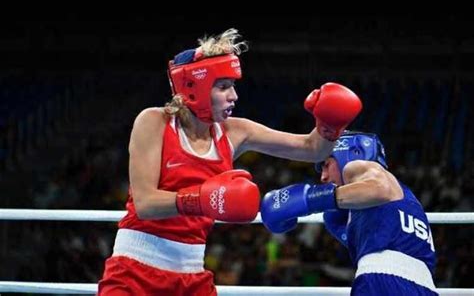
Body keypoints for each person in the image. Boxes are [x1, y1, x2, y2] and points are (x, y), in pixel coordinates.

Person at [98, 28, 362, 295]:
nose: (234, 96)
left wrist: (329, 125)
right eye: (223, 86)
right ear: (195, 87)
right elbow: (145, 203)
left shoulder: (235, 131)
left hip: (192, 273)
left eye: (233, 86)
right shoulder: (155, 122)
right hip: (134, 269)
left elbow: (311, 149)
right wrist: (203, 199)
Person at [260, 131, 438, 295]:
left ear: (353, 153)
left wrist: (313, 199)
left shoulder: (359, 167)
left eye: (326, 165)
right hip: (423, 287)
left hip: (381, 280)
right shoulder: (406, 197)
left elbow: (379, 189)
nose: (323, 177)